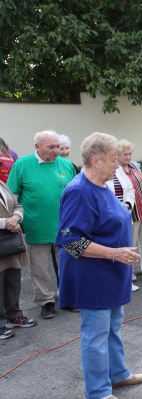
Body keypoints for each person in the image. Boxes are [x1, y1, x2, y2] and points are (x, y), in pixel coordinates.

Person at [56, 132, 142, 399]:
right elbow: (71, 241)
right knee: (95, 335)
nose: (117, 165)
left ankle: (118, 374)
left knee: (113, 326)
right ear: (96, 161)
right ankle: (97, 392)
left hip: (111, 272)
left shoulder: (102, 184)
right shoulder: (79, 191)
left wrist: (118, 254)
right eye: (113, 160)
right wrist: (114, 253)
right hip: (92, 275)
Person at [6, 130, 76, 319]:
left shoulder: (66, 164)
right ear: (37, 146)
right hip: (36, 226)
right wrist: (14, 219)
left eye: (58, 146)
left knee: (67, 263)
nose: (56, 150)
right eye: (51, 147)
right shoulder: (22, 165)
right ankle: (46, 302)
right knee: (40, 267)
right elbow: (12, 196)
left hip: (66, 226)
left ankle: (69, 297)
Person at [112, 140, 142, 278]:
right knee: (130, 243)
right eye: (125, 154)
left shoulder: (134, 166)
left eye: (129, 154)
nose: (128, 157)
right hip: (130, 212)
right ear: (117, 155)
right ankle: (129, 272)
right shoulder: (115, 170)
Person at [0, 178, 34, 340]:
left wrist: (16, 218)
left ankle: (14, 315)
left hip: (11, 241)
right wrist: (5, 223)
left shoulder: (2, 184)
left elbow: (17, 205)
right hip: (5, 234)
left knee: (13, 280)